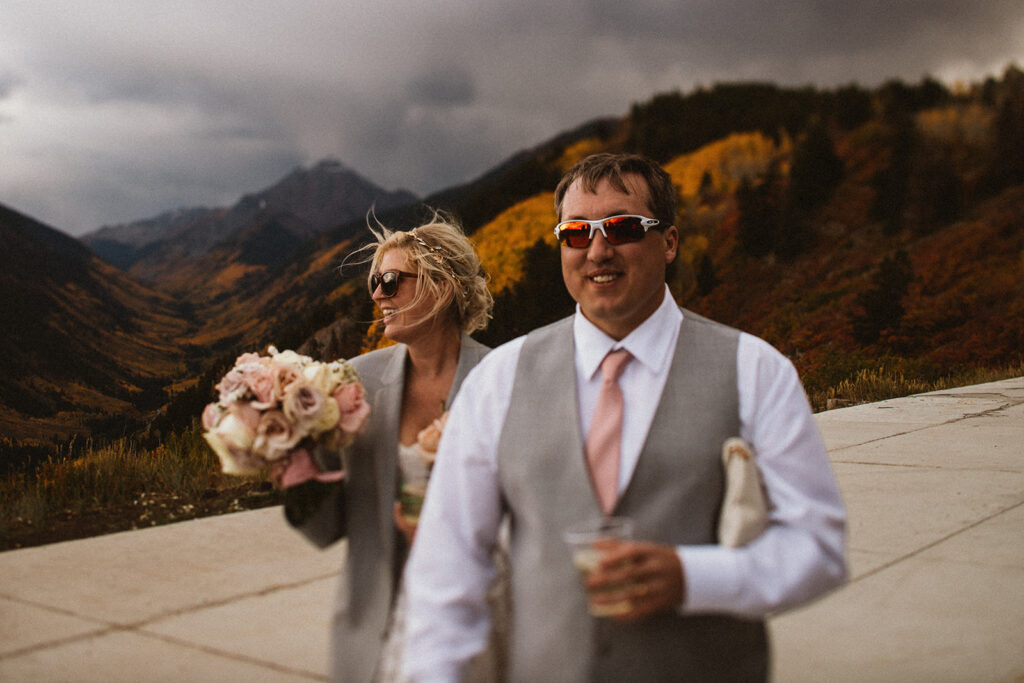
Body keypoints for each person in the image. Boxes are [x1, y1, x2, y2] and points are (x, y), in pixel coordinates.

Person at [402, 153, 847, 681]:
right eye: (575, 232)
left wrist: (694, 577)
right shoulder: (498, 380)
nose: (597, 250)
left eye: (623, 227)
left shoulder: (756, 371)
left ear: (670, 242)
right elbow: (447, 568)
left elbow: (817, 547)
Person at [281, 212, 501, 682]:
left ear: (441, 287)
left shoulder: (500, 381)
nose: (377, 294)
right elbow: (326, 528)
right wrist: (293, 464)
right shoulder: (353, 382)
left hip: (475, 630)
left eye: (390, 280)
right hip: (372, 640)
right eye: (375, 283)